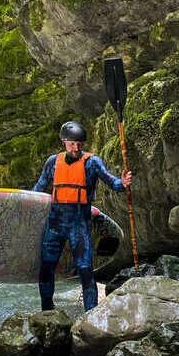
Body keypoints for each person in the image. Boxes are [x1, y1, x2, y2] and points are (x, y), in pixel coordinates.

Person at [32, 120, 133, 312]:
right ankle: (47, 312)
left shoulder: (92, 162)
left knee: (85, 270)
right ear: (64, 142)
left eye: (79, 144)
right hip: (54, 224)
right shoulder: (53, 162)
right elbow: (37, 190)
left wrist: (124, 182)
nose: (76, 148)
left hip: (79, 224)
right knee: (46, 269)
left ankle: (91, 314)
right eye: (72, 144)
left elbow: (113, 183)